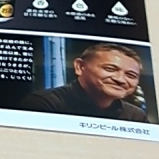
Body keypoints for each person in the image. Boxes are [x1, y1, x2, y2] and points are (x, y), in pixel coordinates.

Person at [19, 43, 149, 122]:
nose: (120, 79)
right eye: (110, 69)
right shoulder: (44, 103)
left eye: (130, 75)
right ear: (80, 67)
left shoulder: (135, 115)